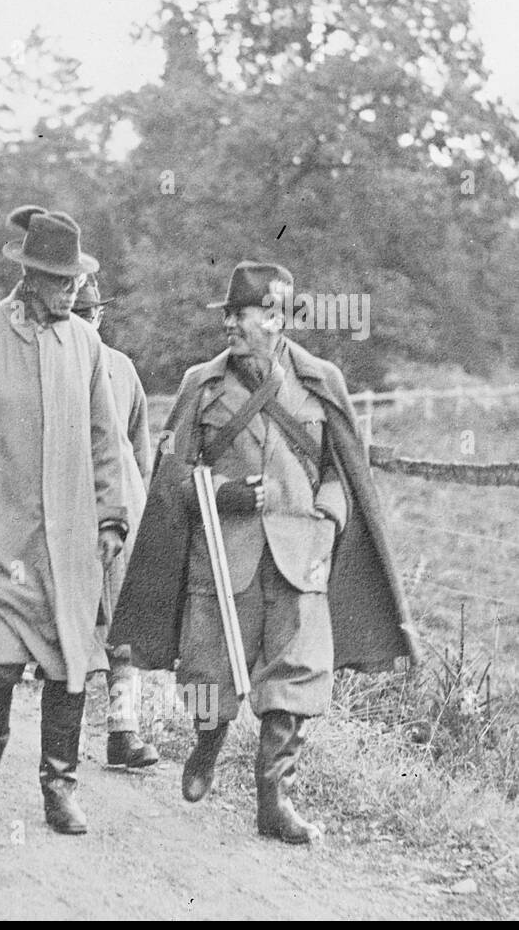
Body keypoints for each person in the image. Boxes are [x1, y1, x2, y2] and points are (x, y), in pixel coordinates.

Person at [110, 261, 417, 844]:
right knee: (208, 669)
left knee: (296, 674)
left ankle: (273, 799)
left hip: (301, 557)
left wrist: (327, 518)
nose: (228, 323)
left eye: (239, 314)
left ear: (275, 319)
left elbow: (344, 471)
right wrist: (219, 494)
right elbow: (172, 475)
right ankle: (206, 745)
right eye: (225, 314)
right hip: (224, 558)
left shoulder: (322, 381)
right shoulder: (201, 383)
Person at [0, 206, 128, 835]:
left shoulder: (85, 343)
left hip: (66, 537)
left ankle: (59, 784)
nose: (74, 293)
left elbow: (105, 439)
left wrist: (112, 514)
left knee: (71, 660)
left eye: (77, 282)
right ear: (32, 276)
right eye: (62, 282)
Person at [71, 280, 160, 769]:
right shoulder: (54, 368)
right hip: (69, 513)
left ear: (101, 317)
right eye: (77, 312)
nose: (87, 321)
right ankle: (65, 738)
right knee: (75, 624)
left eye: (93, 313)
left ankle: (122, 733)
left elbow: (137, 448)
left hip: (120, 512)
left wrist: (130, 507)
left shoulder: (122, 368)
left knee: (123, 627)